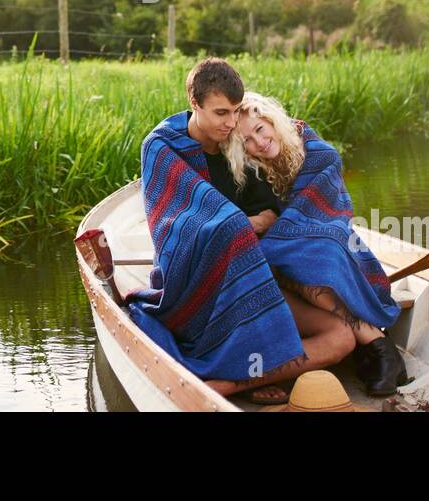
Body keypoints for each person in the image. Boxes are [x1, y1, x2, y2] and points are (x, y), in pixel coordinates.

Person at [126, 58, 362, 405]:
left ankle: (230, 383)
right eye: (221, 113)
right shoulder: (162, 147)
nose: (231, 122)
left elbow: (270, 211)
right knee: (231, 228)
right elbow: (177, 226)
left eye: (236, 111)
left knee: (342, 337)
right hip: (196, 284)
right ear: (194, 103)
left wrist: (239, 229)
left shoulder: (237, 144)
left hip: (256, 275)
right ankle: (248, 369)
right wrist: (238, 228)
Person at [225, 90, 411, 396]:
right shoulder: (255, 171)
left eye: (260, 129)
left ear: (271, 121)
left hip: (333, 236)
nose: (258, 142)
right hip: (301, 245)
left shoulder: (317, 154)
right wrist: (267, 223)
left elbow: (317, 212)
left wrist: (277, 226)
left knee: (315, 255)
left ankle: (378, 350)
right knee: (278, 256)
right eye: (247, 140)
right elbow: (275, 218)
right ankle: (378, 344)